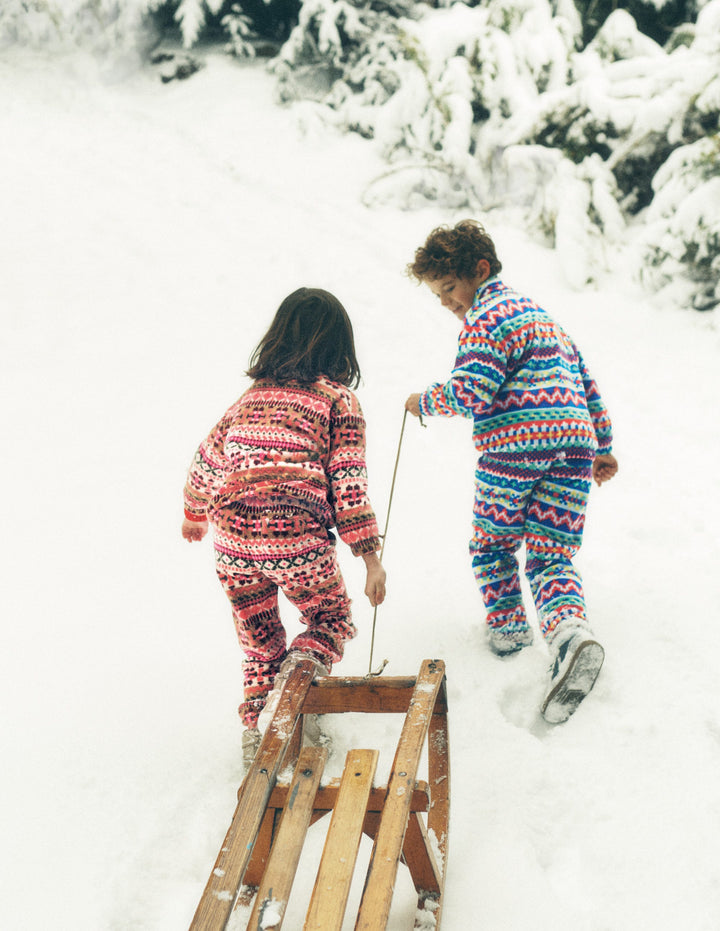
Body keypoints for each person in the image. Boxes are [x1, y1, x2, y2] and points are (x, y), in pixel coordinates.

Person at [404, 220, 618, 723]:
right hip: (574, 447)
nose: (446, 302)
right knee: (551, 552)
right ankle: (570, 635)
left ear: (480, 270)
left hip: (514, 450)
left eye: (450, 289)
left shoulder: (487, 317)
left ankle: (509, 634)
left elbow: (472, 389)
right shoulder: (545, 320)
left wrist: (425, 402)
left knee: (493, 543)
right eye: (438, 295)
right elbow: (585, 383)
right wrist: (603, 446)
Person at [182, 287, 386, 765]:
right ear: (341, 346)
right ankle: (299, 681)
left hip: (232, 534)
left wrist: (194, 515)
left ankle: (258, 736)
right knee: (329, 618)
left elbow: (207, 460)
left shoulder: (249, 398)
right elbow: (348, 483)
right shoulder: (338, 400)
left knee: (259, 638)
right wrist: (371, 558)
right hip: (294, 532)